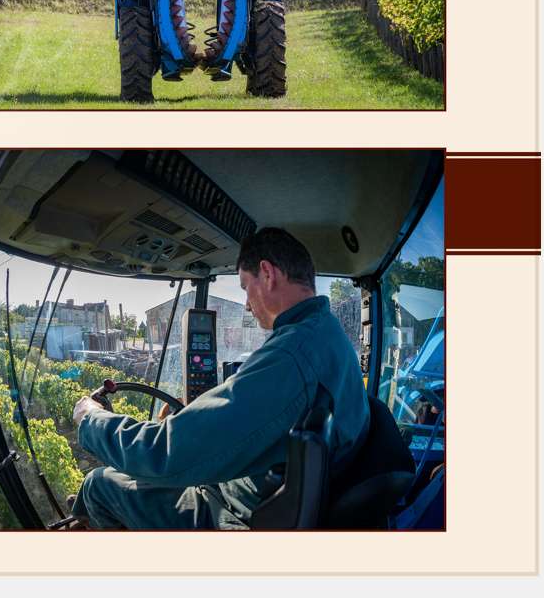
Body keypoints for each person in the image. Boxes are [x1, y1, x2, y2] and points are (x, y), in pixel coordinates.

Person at [66, 227, 370, 530]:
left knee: (98, 484)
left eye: (245, 287)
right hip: (259, 493)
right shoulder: (326, 334)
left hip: (233, 512)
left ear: (267, 274)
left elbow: (167, 453)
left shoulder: (292, 355)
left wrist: (92, 420)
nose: (247, 304)